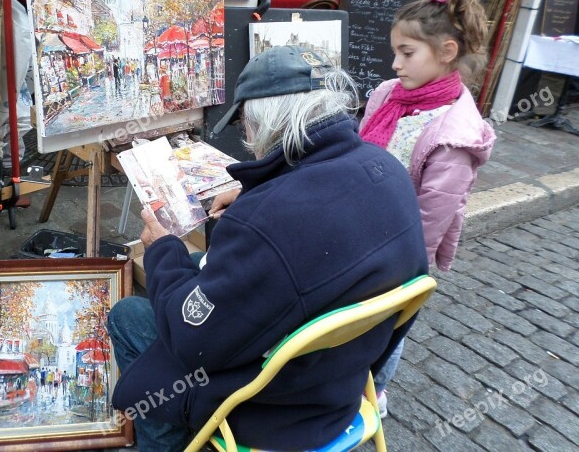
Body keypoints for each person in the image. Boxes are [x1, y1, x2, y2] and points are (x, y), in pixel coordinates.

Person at [107, 46, 429, 451]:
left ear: (260, 125)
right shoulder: (388, 171)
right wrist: (253, 195)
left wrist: (161, 249)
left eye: (244, 126)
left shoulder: (265, 223)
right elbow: (312, 215)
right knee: (193, 264)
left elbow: (193, 343)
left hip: (273, 410)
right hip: (340, 381)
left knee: (128, 314)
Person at [359, 0, 496, 417]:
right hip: (359, 230)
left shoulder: (454, 137)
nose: (395, 64)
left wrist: (393, 271)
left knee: (390, 324)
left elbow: (428, 221)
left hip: (398, 253)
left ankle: (375, 389)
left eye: (407, 53)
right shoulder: (387, 95)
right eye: (395, 52)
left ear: (446, 52)